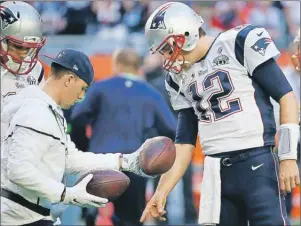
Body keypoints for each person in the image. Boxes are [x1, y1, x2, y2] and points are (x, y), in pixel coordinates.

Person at [140, 2, 300, 226]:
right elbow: (184, 142)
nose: (167, 58)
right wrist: (162, 190)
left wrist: (288, 157)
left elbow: (286, 97)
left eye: (167, 49)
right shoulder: (177, 79)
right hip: (215, 173)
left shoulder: (237, 42)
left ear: (184, 34)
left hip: (257, 163)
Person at [0, 48, 154, 226]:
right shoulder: (36, 112)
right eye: (82, 88)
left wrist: (124, 161)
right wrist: (67, 194)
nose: (82, 96)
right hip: (21, 218)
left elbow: (69, 159)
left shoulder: (48, 110)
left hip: (33, 215)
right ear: (69, 79)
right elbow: (19, 170)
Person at [70, 48, 176, 226]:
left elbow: (77, 117)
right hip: (134, 164)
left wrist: (83, 146)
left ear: (117, 64)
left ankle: (90, 215)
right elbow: (171, 129)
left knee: (91, 216)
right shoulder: (150, 93)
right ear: (138, 67)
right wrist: (155, 156)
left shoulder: (100, 87)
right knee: (130, 221)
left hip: (99, 161)